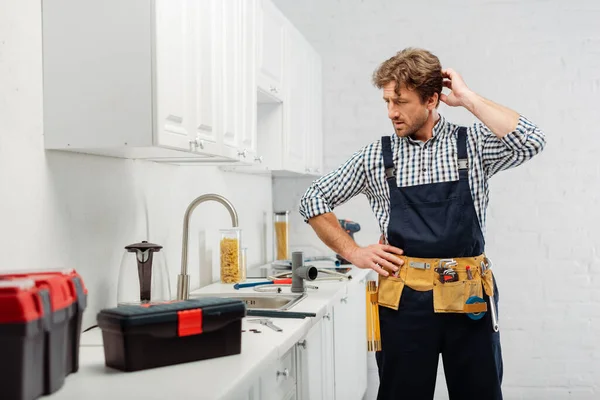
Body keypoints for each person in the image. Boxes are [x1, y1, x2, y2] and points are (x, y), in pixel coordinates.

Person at [298, 48, 546, 400]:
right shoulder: (376, 156)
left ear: (432, 99)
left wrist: (468, 99)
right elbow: (312, 199)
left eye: (400, 101)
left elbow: (532, 141)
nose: (391, 113)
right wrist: (353, 251)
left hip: (470, 299)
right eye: (386, 101)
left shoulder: (472, 144)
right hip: (404, 304)